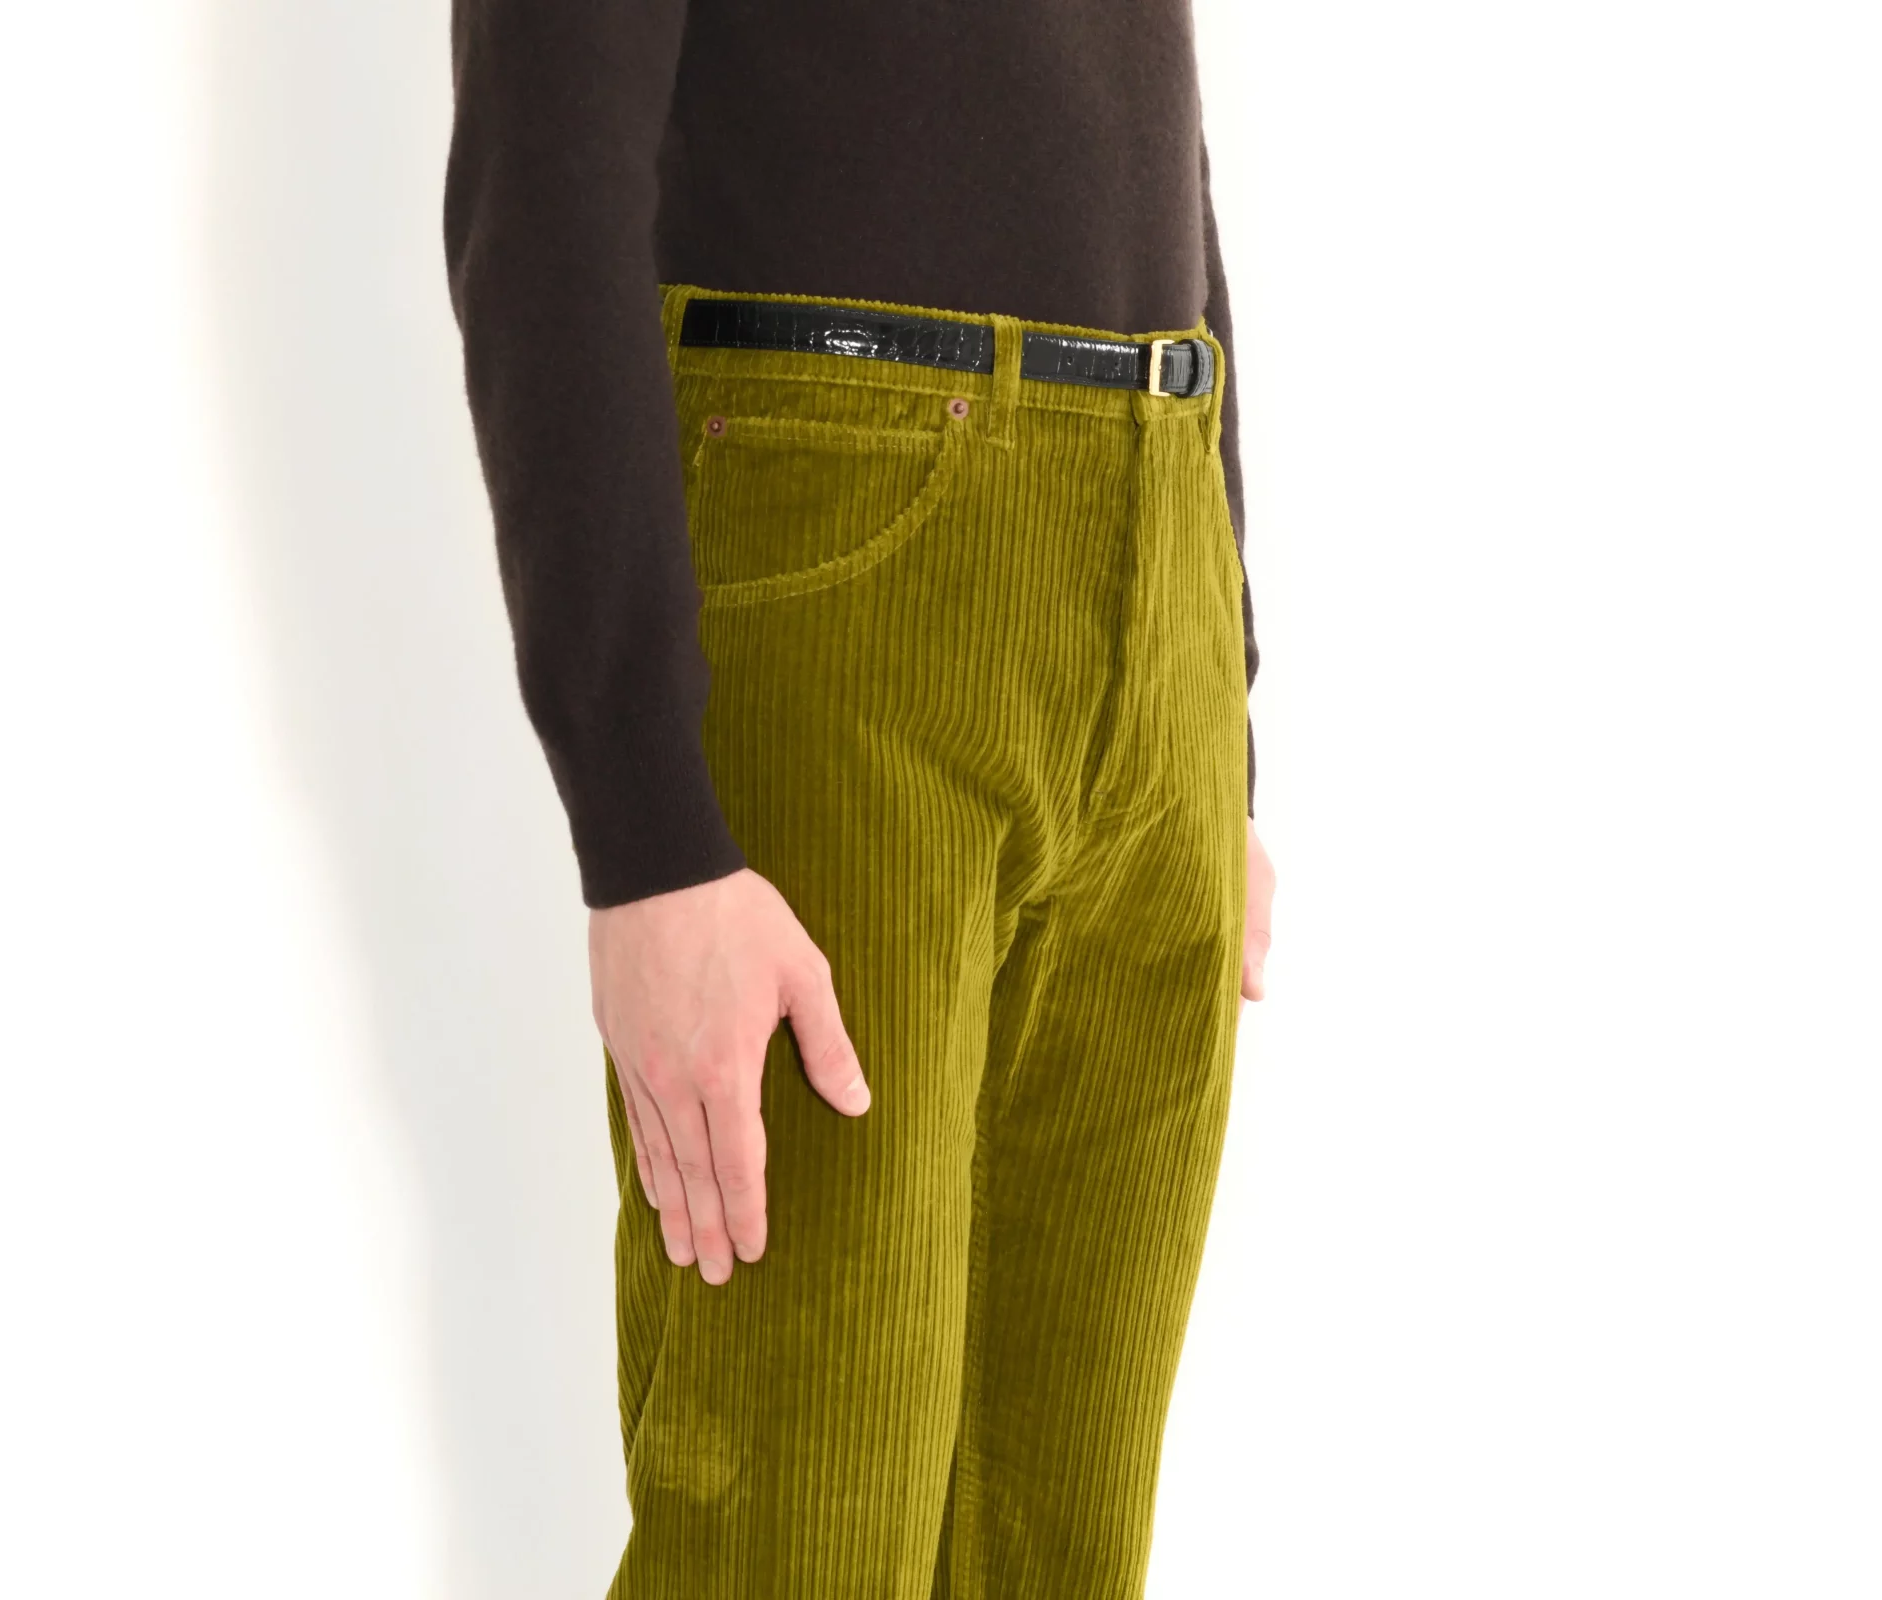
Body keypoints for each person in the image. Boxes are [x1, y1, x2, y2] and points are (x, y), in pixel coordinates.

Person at [444, 3, 1277, 1592]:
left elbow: (1159, 137)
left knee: (1060, 1546)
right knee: (799, 1531)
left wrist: (1213, 694)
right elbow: (544, 172)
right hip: (848, 565)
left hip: (1157, 563)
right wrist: (647, 836)